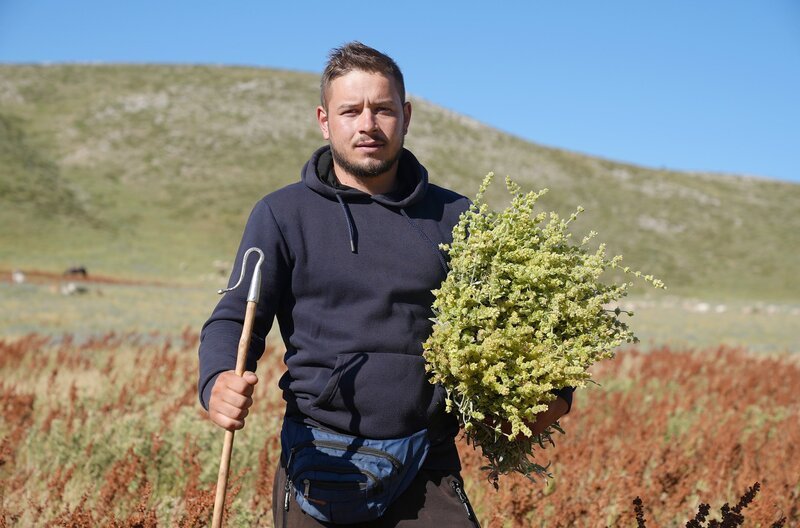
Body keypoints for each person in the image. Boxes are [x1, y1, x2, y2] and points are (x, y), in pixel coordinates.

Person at [198, 41, 572, 527]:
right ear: (324, 120)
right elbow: (234, 318)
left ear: (406, 116)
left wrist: (554, 392)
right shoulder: (282, 213)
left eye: (382, 109)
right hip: (320, 459)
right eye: (350, 110)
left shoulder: (457, 217)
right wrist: (217, 382)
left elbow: (527, 317)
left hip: (427, 460)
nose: (368, 124)